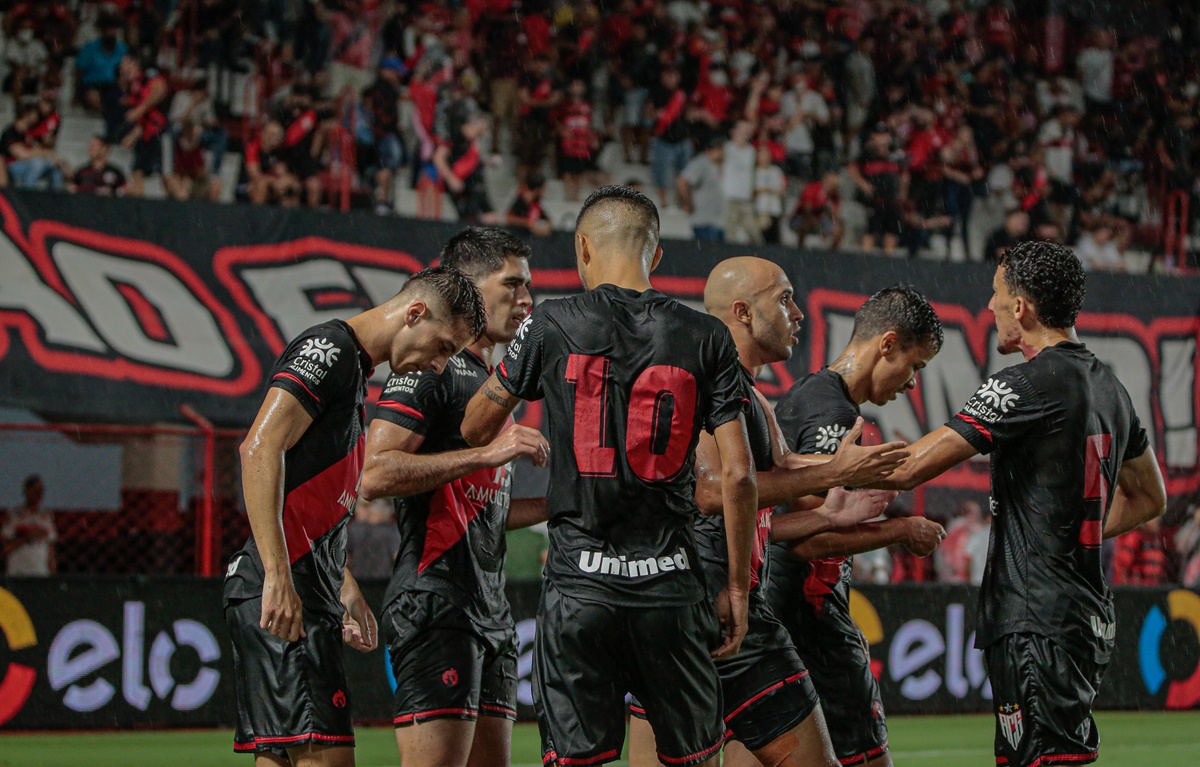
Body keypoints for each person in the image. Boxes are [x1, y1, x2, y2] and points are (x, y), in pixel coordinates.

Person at [460, 186, 758, 767]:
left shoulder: (550, 323)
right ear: (656, 254)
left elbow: (474, 428)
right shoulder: (707, 335)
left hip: (580, 590)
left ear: (583, 247)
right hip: (672, 591)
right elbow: (740, 475)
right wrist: (739, 589)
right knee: (694, 758)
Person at [876, 241, 1167, 767]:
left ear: (1021, 307)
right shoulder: (1111, 388)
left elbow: (910, 467)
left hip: (1035, 620)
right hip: (1081, 616)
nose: (989, 306)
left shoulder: (1023, 384)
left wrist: (812, 465)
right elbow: (1151, 497)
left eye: (996, 294)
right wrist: (1071, 529)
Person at [629, 257, 914, 767]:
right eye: (784, 300)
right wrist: (835, 474)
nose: (797, 313)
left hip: (677, 607)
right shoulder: (705, 382)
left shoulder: (750, 395)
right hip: (713, 603)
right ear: (742, 312)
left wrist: (844, 488)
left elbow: (787, 464)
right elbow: (712, 492)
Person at [223, 266, 488, 764]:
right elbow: (258, 448)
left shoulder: (353, 372)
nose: (439, 365)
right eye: (443, 347)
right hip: (285, 587)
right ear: (415, 313)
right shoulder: (333, 349)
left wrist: (342, 586)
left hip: (300, 587)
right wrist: (278, 576)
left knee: (282, 756)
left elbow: (311, 503)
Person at [361, 228, 549, 767]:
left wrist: (566, 503)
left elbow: (480, 510)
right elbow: (372, 474)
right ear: (466, 285)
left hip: (490, 609)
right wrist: (486, 454)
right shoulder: (431, 367)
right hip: (436, 601)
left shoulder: (491, 383)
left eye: (527, 286)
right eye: (511, 285)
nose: (526, 299)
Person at [768, 286, 948, 767]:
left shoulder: (811, 395)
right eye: (915, 365)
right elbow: (809, 539)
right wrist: (901, 532)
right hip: (807, 617)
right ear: (887, 344)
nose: (913, 383)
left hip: (785, 614)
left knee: (763, 747)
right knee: (867, 756)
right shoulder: (833, 414)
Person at [2, 475, 55, 576]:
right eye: (35, 491)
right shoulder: (15, 516)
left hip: (40, 570)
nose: (39, 494)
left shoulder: (46, 516)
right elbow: (7, 547)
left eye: (41, 491)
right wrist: (29, 537)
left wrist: (52, 567)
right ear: (27, 491)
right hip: (19, 570)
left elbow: (50, 546)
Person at [678, 137, 725, 242]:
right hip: (703, 221)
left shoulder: (718, 164)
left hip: (718, 221)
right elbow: (682, 182)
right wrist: (687, 203)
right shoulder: (701, 163)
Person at [344, 500, 400, 581]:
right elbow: (396, 557)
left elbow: (346, 558)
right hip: (384, 580)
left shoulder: (354, 529)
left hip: (358, 579)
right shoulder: (391, 530)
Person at [507, 172, 553, 236]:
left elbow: (546, 218)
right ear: (537, 189)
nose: (544, 191)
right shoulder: (521, 200)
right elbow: (509, 218)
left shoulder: (536, 202)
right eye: (543, 188)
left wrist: (547, 225)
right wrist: (527, 223)